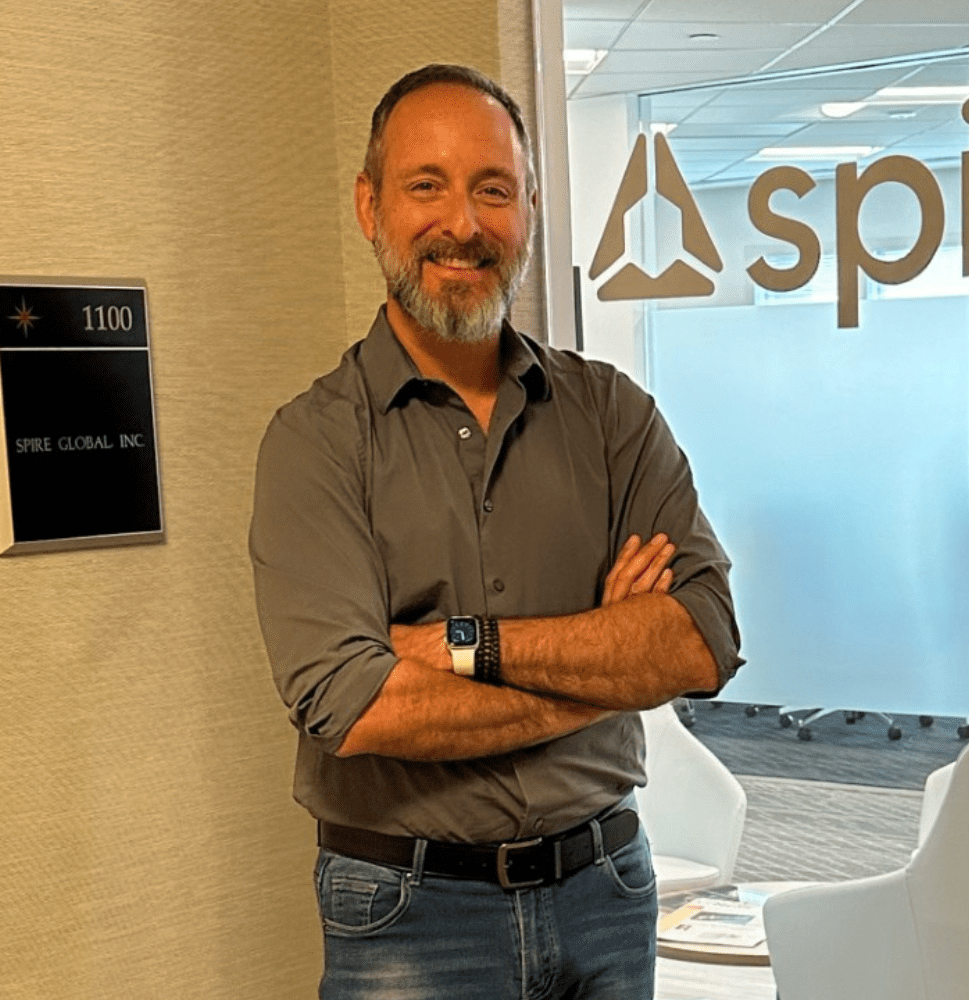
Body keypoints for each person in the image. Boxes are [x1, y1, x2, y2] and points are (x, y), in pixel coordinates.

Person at [249, 63, 742, 1000]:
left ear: (528, 207)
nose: (463, 225)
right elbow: (356, 705)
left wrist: (459, 647)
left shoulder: (612, 416)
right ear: (369, 205)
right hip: (409, 907)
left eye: (493, 190)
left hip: (607, 890)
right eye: (425, 186)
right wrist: (603, 671)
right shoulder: (315, 442)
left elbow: (701, 639)